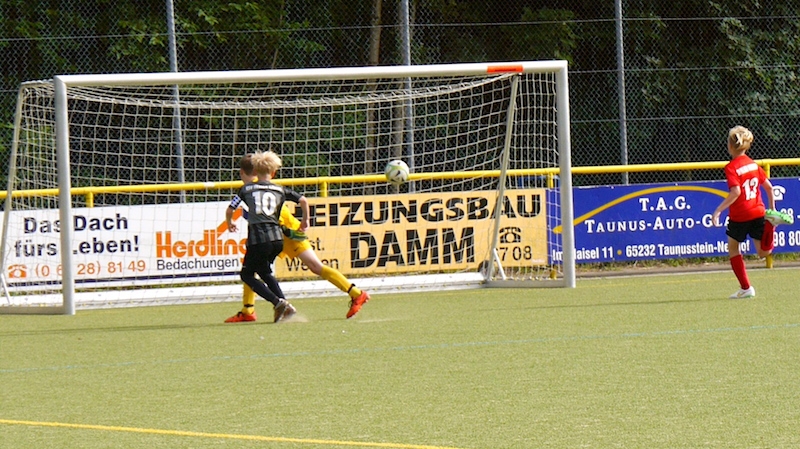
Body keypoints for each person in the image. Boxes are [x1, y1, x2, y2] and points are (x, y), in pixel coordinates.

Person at [224, 192, 371, 323]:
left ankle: (356, 293)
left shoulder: (260, 191)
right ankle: (248, 310)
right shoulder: (251, 191)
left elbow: (279, 223)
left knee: (315, 266)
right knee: (253, 267)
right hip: (276, 237)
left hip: (289, 236)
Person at [712, 126, 794, 299]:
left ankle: (746, 288)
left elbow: (736, 192)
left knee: (733, 248)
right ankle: (771, 224)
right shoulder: (753, 164)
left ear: (730, 146)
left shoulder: (731, 167)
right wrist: (772, 209)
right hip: (758, 211)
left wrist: (718, 210)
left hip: (740, 215)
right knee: (763, 252)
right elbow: (769, 188)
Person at [226, 151, 308, 322]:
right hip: (277, 239)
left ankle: (278, 302)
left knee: (247, 275)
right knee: (264, 271)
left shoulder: (246, 189)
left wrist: (230, 222)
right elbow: (303, 200)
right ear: (273, 172)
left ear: (255, 171)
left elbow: (231, 208)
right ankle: (286, 306)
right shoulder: (280, 189)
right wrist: (304, 221)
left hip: (258, 239)